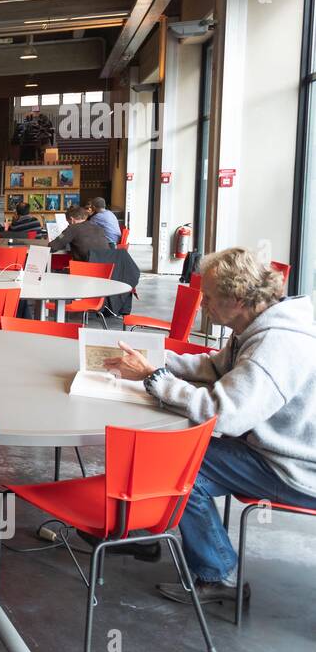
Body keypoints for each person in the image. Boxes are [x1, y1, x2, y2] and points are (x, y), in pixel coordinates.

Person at [102, 249, 316, 606]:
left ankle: (217, 574)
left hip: (295, 467)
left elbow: (225, 413)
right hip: (275, 450)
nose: (203, 304)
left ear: (237, 299)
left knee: (179, 465)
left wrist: (155, 378)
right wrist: (159, 359)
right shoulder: (260, 323)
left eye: (210, 297)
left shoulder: (275, 343)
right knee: (174, 457)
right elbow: (216, 367)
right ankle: (148, 533)